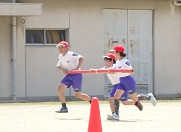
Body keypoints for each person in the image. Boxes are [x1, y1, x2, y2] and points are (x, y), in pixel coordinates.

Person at [102, 53, 156, 120]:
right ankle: (146, 98)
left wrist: (107, 70)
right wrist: (94, 70)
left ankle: (115, 115)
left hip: (120, 84)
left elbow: (112, 71)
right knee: (124, 102)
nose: (105, 61)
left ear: (111, 60)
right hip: (115, 85)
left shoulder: (115, 66)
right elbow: (102, 70)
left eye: (106, 59)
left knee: (113, 99)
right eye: (105, 59)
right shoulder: (105, 68)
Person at [55, 41, 91, 113]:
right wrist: (63, 69)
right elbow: (58, 66)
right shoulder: (60, 57)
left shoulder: (70, 54)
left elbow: (81, 58)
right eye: (59, 47)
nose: (60, 49)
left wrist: (77, 68)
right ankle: (64, 108)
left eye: (62, 47)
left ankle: (92, 100)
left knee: (78, 95)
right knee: (59, 89)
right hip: (69, 75)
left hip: (77, 75)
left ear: (67, 48)